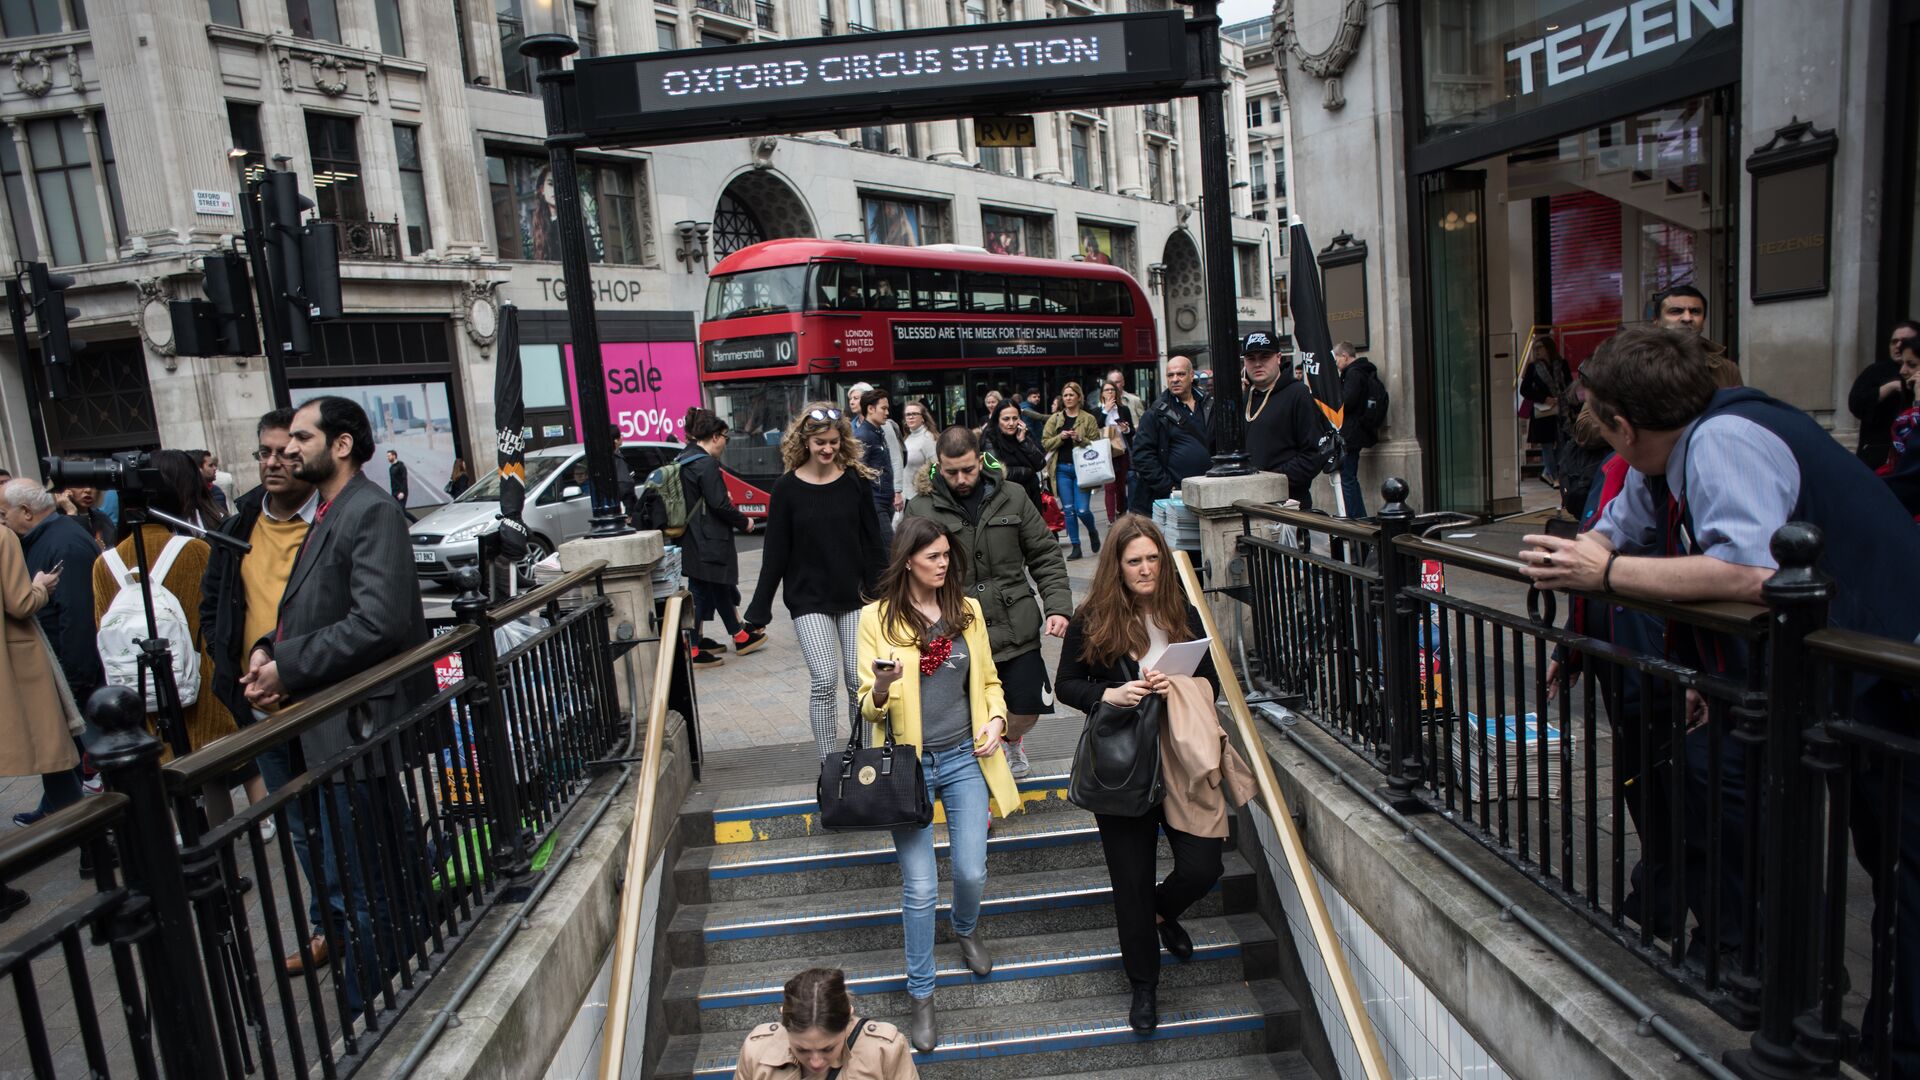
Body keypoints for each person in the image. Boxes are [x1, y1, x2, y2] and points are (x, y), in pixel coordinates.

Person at [1519, 326, 1920, 1072]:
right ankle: (1827, 1016)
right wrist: (1596, 555)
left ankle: (1892, 1043)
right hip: (1839, 681)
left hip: (1890, 673)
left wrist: (1602, 579)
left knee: (1904, 863)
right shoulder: (1665, 454)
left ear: (1624, 425)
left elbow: (1748, 571)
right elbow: (1612, 530)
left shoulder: (1722, 442)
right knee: (1863, 848)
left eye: (1599, 419)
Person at [240, 395, 432, 1016]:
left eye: (301, 437)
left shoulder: (369, 511)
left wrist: (288, 666)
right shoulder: (330, 510)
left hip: (358, 728)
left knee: (370, 882)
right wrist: (271, 647)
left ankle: (373, 1010)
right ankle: (393, 983)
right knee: (371, 872)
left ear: (341, 444)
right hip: (336, 728)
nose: (289, 448)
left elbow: (376, 621)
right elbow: (315, 602)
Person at [1055, 514, 1244, 1036]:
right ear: (1117, 564)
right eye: (1135, 561)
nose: (1146, 569)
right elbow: (1067, 684)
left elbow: (1211, 680)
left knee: (1204, 865)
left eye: (1153, 559)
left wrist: (1177, 685)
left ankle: (1160, 915)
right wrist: (1108, 693)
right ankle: (1144, 987)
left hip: (1182, 757)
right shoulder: (1092, 617)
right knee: (1130, 883)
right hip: (1122, 763)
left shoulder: (1182, 611)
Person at [857, 516, 1020, 1053]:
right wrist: (881, 686)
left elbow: (989, 680)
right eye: (933, 557)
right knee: (920, 887)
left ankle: (967, 926)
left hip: (965, 758)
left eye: (947, 554)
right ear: (908, 560)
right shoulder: (875, 618)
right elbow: (866, 706)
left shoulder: (966, 611)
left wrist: (996, 720)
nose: (944, 563)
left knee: (972, 868)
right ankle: (922, 994)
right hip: (909, 768)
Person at [201, 407, 325, 973]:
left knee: (349, 813)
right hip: (265, 710)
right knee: (299, 824)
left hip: (326, 698)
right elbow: (214, 604)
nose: (275, 461)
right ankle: (330, 926)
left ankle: (379, 918)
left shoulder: (331, 517)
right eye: (265, 452)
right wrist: (233, 670)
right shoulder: (240, 521)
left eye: (286, 450)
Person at [904, 426, 1071, 780]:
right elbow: (909, 568)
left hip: (1015, 622)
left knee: (1027, 708)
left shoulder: (1012, 495)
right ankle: (976, 763)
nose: (961, 479)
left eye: (968, 469)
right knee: (967, 708)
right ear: (938, 466)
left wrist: (1057, 606)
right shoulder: (921, 506)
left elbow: (1044, 554)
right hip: (955, 627)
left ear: (980, 460)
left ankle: (1012, 738)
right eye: (951, 472)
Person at [744, 404, 887, 759]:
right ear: (805, 441)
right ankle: (828, 763)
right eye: (820, 442)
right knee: (824, 681)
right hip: (808, 600)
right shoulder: (786, 488)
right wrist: (759, 608)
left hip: (856, 598)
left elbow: (873, 543)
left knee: (858, 683)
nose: (827, 449)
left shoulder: (855, 481)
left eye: (834, 442)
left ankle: (861, 759)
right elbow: (775, 552)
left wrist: (886, 595)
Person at [91, 451, 237, 775]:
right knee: (211, 775)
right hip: (197, 684)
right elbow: (213, 620)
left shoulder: (105, 563)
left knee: (160, 775)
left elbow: (102, 625)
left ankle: (175, 829)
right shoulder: (194, 550)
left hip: (137, 690)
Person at [3, 479, 104, 822]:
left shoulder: (63, 542)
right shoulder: (42, 538)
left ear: (26, 512)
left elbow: (77, 617)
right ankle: (61, 813)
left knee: (83, 752)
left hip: (74, 670)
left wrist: (76, 679)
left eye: (6, 514)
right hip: (61, 668)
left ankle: (91, 831)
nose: (4, 521)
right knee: (63, 752)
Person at [0, 521, 74, 913]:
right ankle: (93, 842)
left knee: (56, 752)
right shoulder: (2, 536)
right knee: (54, 744)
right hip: (12, 667)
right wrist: (41, 586)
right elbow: (19, 602)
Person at [678, 409, 764, 667]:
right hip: (709, 539)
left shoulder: (684, 458)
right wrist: (745, 521)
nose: (726, 442)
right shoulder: (705, 464)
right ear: (715, 437)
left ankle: (735, 636)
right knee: (701, 592)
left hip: (693, 537)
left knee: (714, 588)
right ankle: (693, 648)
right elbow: (719, 505)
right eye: (725, 437)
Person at [734, 967, 917, 1079]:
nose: (815, 1062)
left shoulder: (884, 1050)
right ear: (783, 1021)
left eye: (828, 1049)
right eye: (802, 1049)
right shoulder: (756, 1051)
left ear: (849, 1016)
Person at [1241, 331, 1327, 512]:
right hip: (1248, 502)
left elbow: (1313, 455)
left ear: (1278, 358)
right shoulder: (1243, 398)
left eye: (1265, 356)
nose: (1257, 363)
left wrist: (1271, 478)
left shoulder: (1298, 394)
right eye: (1251, 358)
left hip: (1289, 504)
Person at [1129, 355, 1213, 514]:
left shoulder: (1209, 404)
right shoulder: (1155, 413)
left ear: (1191, 375)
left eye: (1180, 374)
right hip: (1173, 499)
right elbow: (1142, 456)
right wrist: (1168, 487)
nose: (1175, 379)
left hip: (1207, 493)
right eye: (1170, 375)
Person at [1042, 381, 1103, 559]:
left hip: (1083, 470)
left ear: (1078, 397)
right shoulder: (1055, 419)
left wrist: (1080, 439)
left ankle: (1092, 531)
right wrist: (1060, 437)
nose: (1068, 398)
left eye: (1071, 395)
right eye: (1065, 395)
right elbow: (1045, 442)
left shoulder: (1088, 418)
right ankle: (1076, 546)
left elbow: (1095, 444)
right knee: (1068, 510)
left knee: (1082, 510)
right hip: (1061, 469)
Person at [1850, 319, 1920, 468]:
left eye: (1904, 341)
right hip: (1877, 455)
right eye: (1894, 342)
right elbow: (1856, 404)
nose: (1898, 346)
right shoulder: (1875, 371)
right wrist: (1889, 387)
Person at [1334, 342, 1387, 518]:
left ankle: (1356, 518)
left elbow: (1347, 401)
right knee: (1349, 477)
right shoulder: (1361, 371)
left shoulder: (1354, 374)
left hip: (1351, 433)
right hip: (1356, 431)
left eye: (1336, 358)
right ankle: (1358, 517)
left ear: (1344, 356)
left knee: (1347, 478)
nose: (1335, 362)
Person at [1651, 284, 1740, 386]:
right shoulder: (1637, 364)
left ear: (1703, 322)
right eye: (1676, 311)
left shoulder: (1727, 370)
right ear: (1656, 321)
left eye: (1695, 311)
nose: (1687, 318)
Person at [1519, 334, 1572, 489]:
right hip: (1543, 412)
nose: (1537, 352)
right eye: (1535, 349)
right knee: (1547, 445)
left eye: (1539, 348)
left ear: (1548, 348)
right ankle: (1554, 475)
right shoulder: (1533, 368)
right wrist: (1544, 398)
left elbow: (1569, 384)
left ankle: (1547, 471)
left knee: (1564, 443)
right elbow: (1525, 390)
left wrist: (1564, 398)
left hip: (1561, 410)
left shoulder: (1561, 364)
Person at [850, 385, 898, 555]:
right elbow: (858, 472)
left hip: (885, 500)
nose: (887, 413)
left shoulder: (878, 432)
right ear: (870, 409)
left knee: (883, 551)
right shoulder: (863, 436)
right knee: (890, 551)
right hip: (875, 502)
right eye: (883, 408)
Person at [979, 401, 1047, 509]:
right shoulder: (990, 439)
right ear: (997, 420)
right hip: (1007, 500)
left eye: (1015, 418)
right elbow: (998, 471)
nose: (1011, 423)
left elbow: (1040, 463)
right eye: (1006, 419)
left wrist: (1023, 441)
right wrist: (1029, 471)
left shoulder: (1022, 435)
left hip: (1031, 497)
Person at [1096, 381, 1135, 524]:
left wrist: (1126, 429)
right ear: (1102, 394)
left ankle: (1121, 512)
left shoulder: (1123, 410)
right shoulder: (1097, 410)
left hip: (1121, 451)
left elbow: (1132, 432)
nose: (1110, 392)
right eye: (1106, 390)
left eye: (1112, 390)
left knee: (1120, 485)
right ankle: (1111, 519)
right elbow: (1096, 427)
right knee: (1109, 486)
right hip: (1105, 453)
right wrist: (1105, 411)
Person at [60, 479, 115, 549]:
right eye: (80, 484)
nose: (88, 490)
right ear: (66, 489)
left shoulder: (103, 519)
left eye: (93, 484)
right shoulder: (56, 520)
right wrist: (72, 514)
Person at [900, 399, 937, 480]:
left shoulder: (928, 438)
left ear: (923, 418)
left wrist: (929, 486)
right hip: (904, 491)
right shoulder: (907, 438)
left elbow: (935, 466)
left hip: (920, 491)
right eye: (908, 414)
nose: (911, 417)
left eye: (915, 414)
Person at [190, 450, 230, 517]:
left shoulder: (216, 491)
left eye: (214, 465)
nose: (215, 468)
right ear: (198, 470)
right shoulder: (188, 496)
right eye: (210, 465)